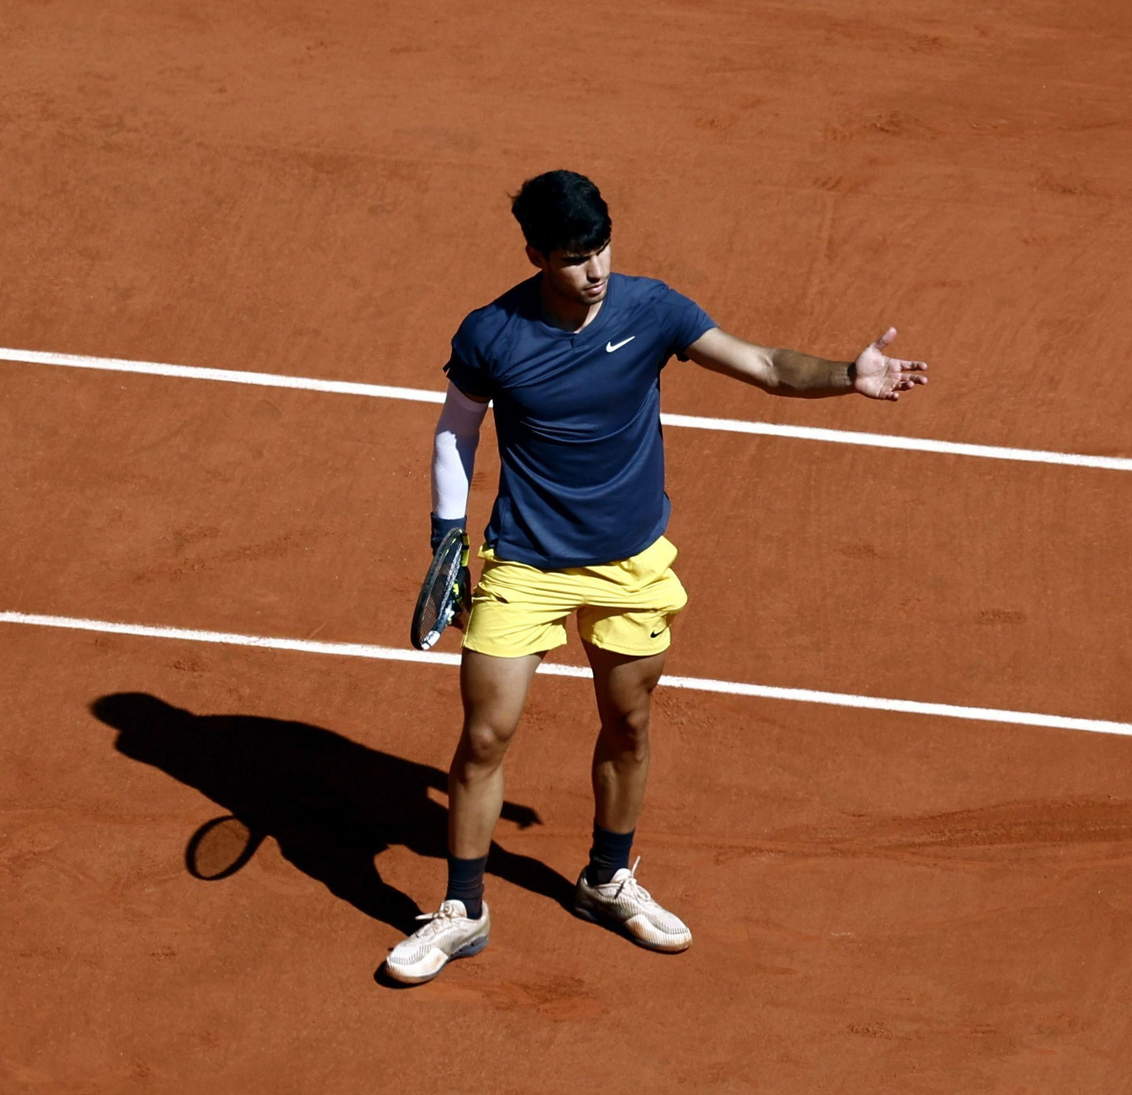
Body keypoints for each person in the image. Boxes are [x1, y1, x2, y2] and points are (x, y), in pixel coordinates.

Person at [383, 170, 928, 984]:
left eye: (602, 247)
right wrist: (446, 538)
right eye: (573, 257)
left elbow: (767, 367)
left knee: (629, 725)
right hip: (525, 562)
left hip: (630, 561)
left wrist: (846, 378)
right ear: (535, 254)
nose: (594, 269)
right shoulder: (491, 333)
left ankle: (607, 880)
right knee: (486, 736)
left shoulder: (653, 309)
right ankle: (463, 909)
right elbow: (456, 433)